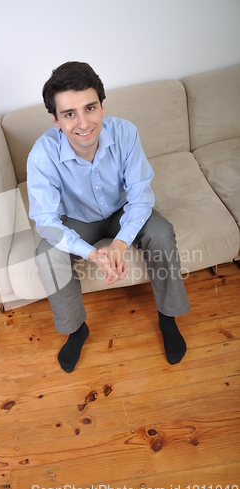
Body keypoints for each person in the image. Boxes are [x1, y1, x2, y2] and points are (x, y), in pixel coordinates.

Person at [27, 61, 190, 373]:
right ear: (55, 120)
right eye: (69, 114)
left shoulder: (126, 133)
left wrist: (119, 244)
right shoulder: (42, 154)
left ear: (102, 106)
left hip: (122, 209)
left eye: (90, 108)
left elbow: (141, 196)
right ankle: (77, 330)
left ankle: (167, 318)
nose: (83, 122)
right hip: (76, 219)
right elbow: (46, 220)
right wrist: (92, 253)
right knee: (47, 255)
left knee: (161, 232)